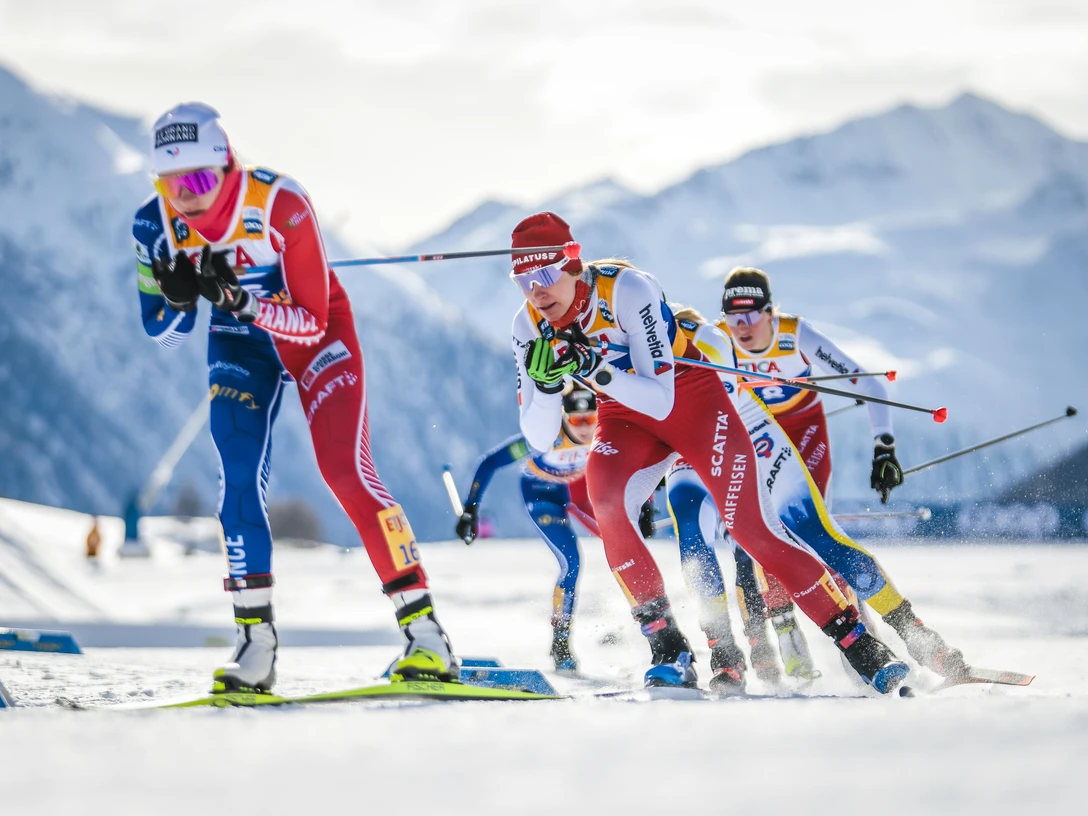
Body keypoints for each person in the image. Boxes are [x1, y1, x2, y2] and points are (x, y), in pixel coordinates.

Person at [509, 211, 909, 694]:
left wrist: (594, 370)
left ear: (574, 265)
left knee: (751, 530)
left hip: (692, 400)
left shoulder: (628, 290)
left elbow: (662, 398)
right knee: (607, 500)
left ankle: (858, 642)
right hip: (624, 416)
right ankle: (668, 647)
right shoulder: (528, 324)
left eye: (546, 275)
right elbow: (538, 436)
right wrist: (546, 384)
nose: (536, 291)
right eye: (523, 280)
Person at [133, 103, 457, 693]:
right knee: (236, 472)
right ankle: (254, 643)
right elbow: (162, 332)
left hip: (316, 337)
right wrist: (179, 300)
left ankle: (426, 634)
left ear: (228, 167)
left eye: (200, 180)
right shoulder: (152, 225)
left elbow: (309, 320)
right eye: (170, 184)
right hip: (240, 345)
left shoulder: (280, 203)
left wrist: (243, 302)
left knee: (345, 470)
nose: (187, 198)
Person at [665, 311, 969, 685]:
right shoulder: (613, 344)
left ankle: (919, 638)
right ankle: (727, 655)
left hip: (748, 432)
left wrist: (884, 448)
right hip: (686, 447)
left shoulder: (706, 334)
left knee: (815, 534)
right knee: (696, 539)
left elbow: (865, 382)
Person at [455, 386, 659, 672]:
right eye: (577, 421)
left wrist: (645, 507)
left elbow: (634, 460)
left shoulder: (602, 434)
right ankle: (561, 642)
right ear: (564, 419)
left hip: (573, 490)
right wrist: (470, 511)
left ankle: (650, 621)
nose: (586, 428)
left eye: (591, 418)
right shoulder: (544, 439)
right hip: (541, 496)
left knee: (625, 543)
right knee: (572, 563)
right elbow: (489, 463)